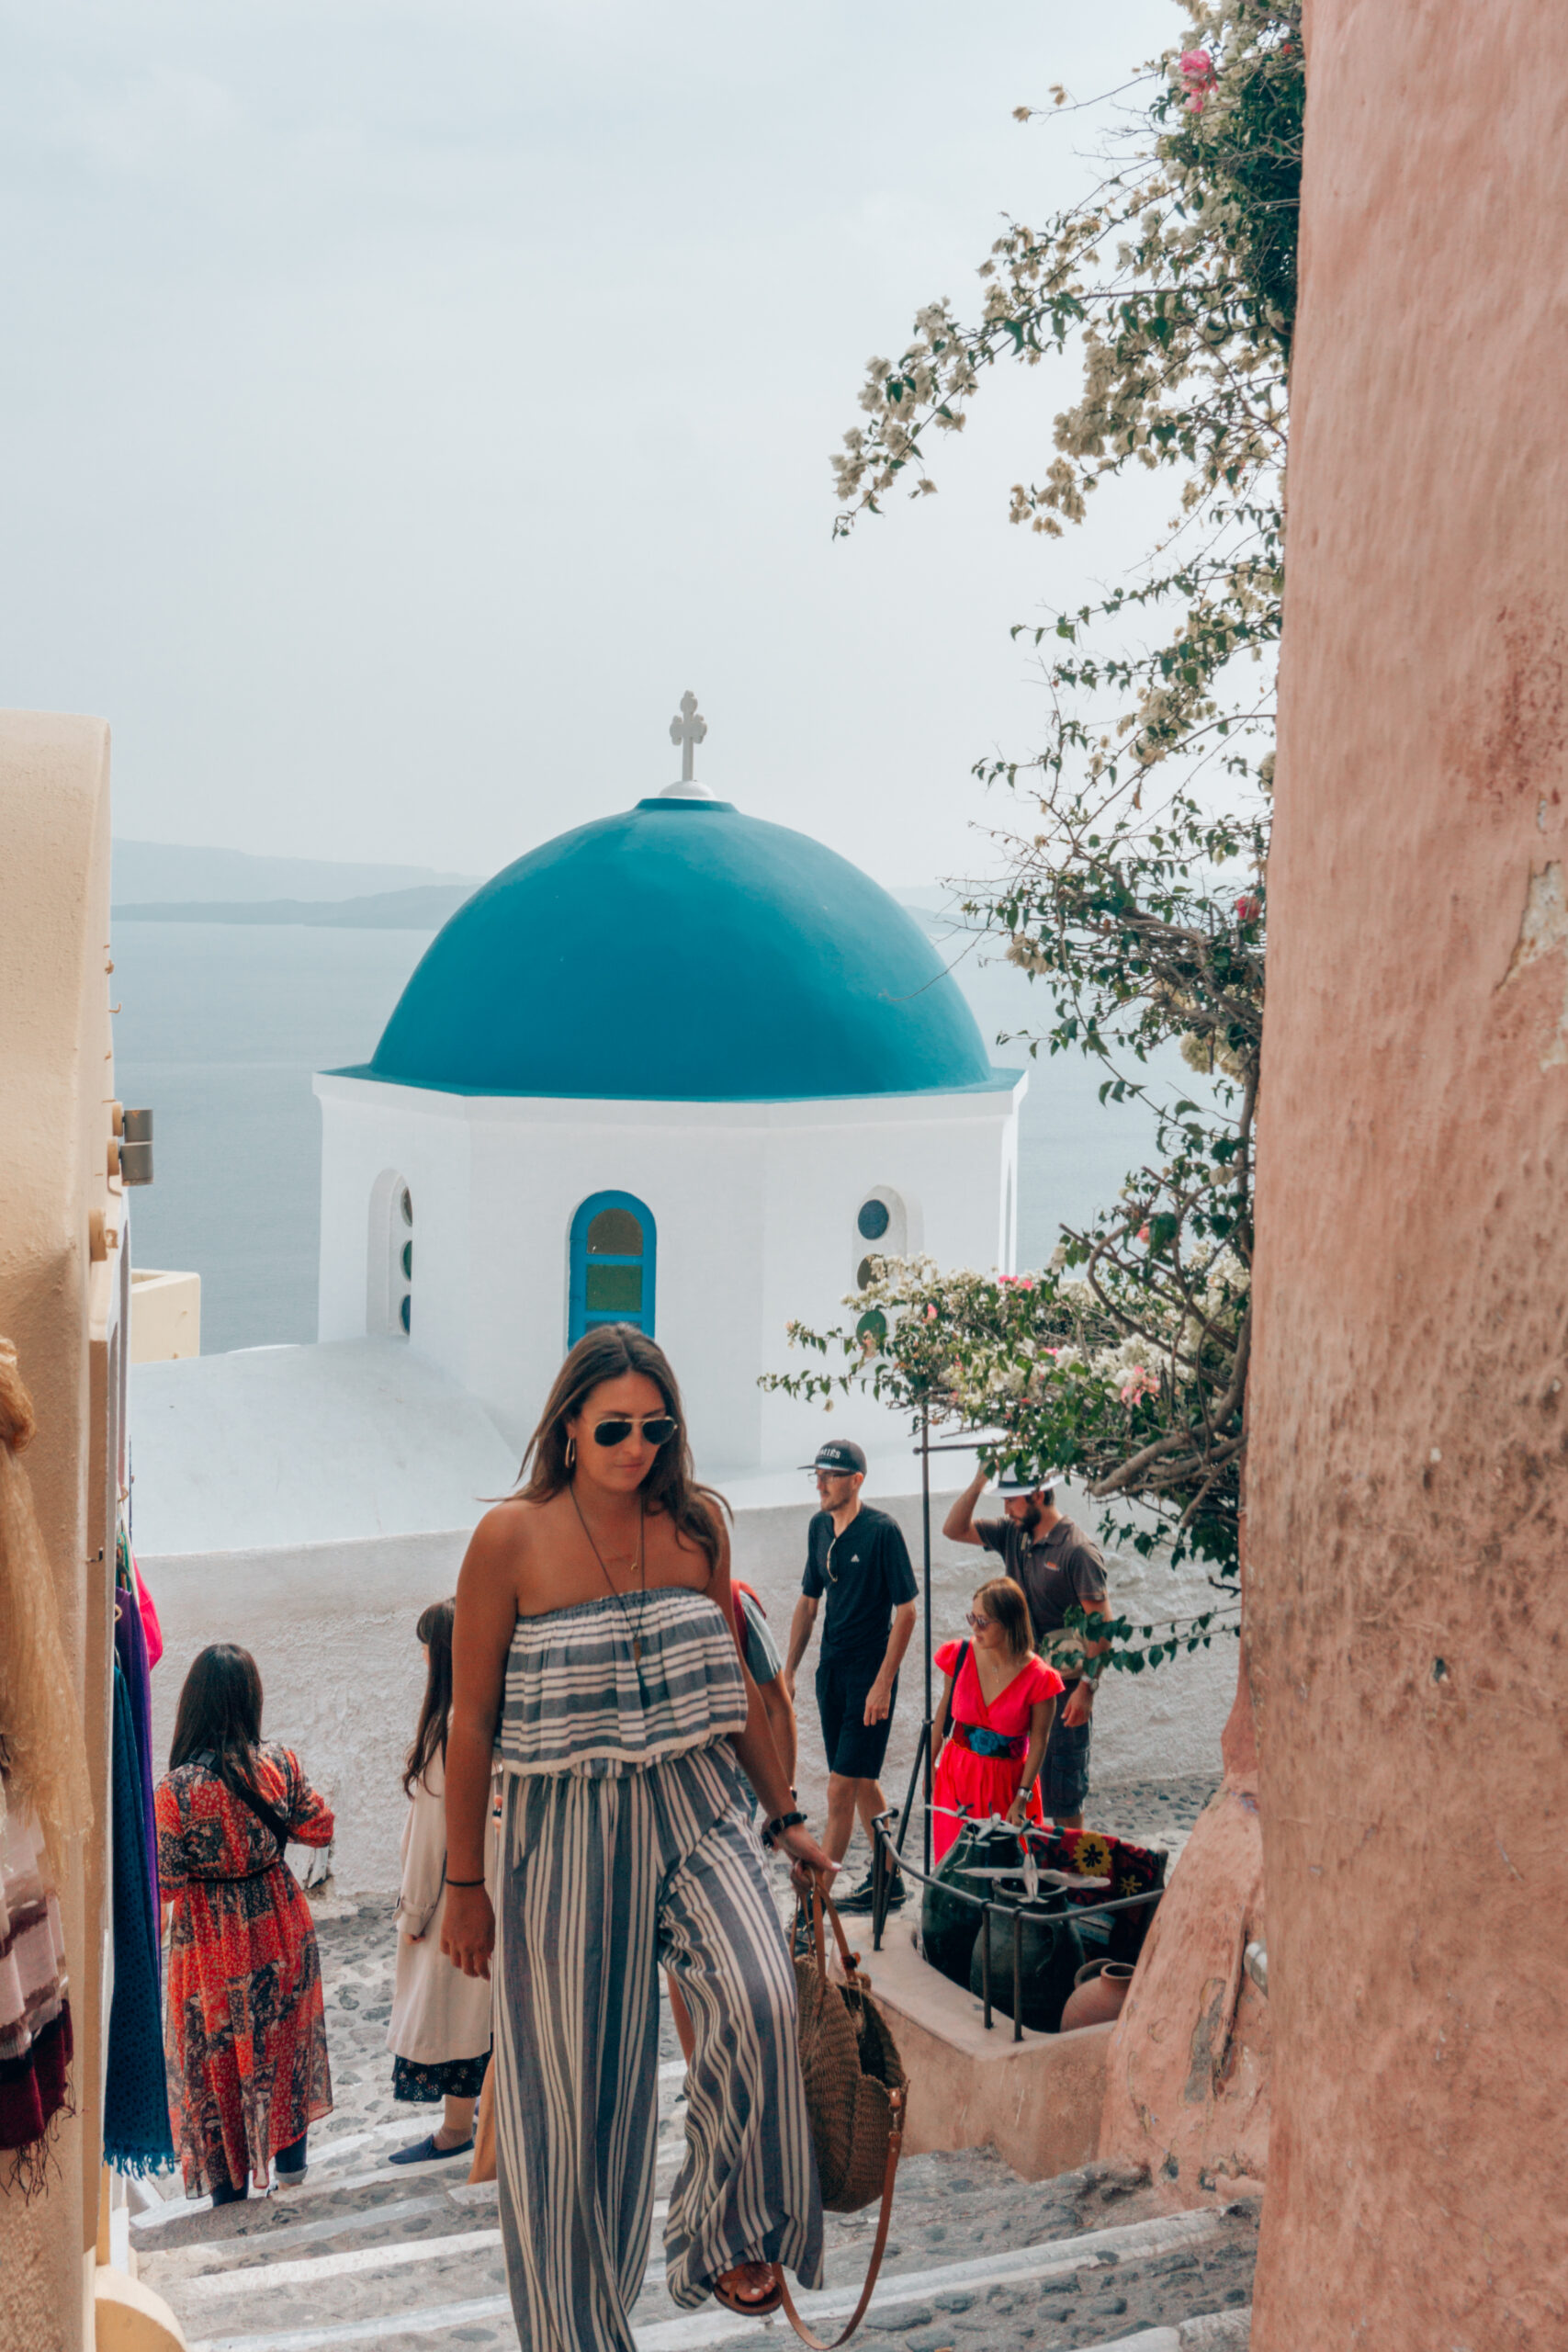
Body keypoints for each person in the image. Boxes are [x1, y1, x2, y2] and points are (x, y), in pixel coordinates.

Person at [439, 1324, 838, 2347]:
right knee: (578, 2111)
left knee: (757, 1990)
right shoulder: (510, 1539)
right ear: (567, 1424)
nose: (635, 1445)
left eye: (654, 1426)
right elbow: (470, 1720)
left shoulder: (698, 1526)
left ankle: (731, 2222)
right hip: (564, 1833)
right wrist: (465, 1883)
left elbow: (736, 1693)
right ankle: (578, 2332)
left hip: (699, 1803)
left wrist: (784, 1814)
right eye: (613, 1425)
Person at [154, 1645, 333, 2202]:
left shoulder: (176, 1791)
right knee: (284, 2039)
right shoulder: (280, 1763)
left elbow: (165, 1881)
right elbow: (319, 1827)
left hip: (211, 1938)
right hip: (281, 1921)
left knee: (215, 2056)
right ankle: (293, 2169)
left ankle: (228, 2189)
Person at [665, 1577, 795, 2066]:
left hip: (734, 1804)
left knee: (750, 1949)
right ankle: (701, 2072)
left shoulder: (736, 1604)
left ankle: (761, 2069)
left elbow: (778, 1706)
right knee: (680, 1962)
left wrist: (784, 1810)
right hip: (669, 1810)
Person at [784, 1439, 918, 1913]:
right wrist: (791, 1669)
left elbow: (906, 1613)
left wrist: (883, 1683)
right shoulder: (819, 1527)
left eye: (829, 1475)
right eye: (816, 1474)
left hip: (869, 1676)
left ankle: (814, 1907)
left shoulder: (883, 1531)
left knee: (840, 1786)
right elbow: (807, 1602)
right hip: (832, 1673)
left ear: (855, 1480)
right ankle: (889, 1879)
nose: (819, 1484)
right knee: (859, 1779)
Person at [942, 1468, 1111, 1831]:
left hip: (1064, 1690)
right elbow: (953, 1529)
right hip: (1017, 1684)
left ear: (1038, 1496)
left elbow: (1103, 1628)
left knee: (1064, 1794)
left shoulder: (1077, 1552)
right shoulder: (1012, 1534)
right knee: (1019, 1788)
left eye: (1011, 1499)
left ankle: (1072, 1878)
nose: (1005, 1508)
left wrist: (1087, 1688)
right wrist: (977, 1481)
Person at [386, 1598, 493, 2166]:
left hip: (451, 1899)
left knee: (456, 2018)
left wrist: (413, 1914)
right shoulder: (485, 1717)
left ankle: (456, 2129)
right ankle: (466, 2122)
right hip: (487, 1892)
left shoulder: (451, 1728)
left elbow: (431, 1834)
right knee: (477, 2018)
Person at [930, 1577, 1064, 1862]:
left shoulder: (1041, 1678)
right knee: (955, 1866)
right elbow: (944, 1710)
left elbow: (1039, 1741)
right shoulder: (959, 1654)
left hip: (1006, 1786)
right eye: (972, 1617)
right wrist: (930, 1762)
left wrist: (1022, 1797)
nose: (974, 1627)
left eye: (983, 1621)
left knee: (1003, 1871)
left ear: (1010, 1623)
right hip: (956, 1777)